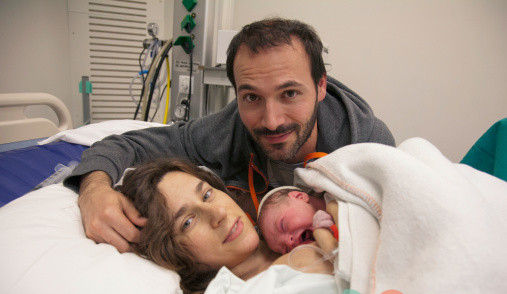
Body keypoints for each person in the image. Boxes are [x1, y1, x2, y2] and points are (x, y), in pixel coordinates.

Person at [66, 17, 395, 252]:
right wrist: (93, 190)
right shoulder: (224, 131)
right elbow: (128, 144)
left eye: (290, 93)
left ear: (320, 86)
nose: (271, 120)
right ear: (236, 94)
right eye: (251, 97)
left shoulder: (367, 145)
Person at [117, 158, 337, 294]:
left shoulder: (317, 213)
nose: (218, 213)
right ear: (174, 257)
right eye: (188, 222)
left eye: (207, 194)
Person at [257, 186, 338, 254]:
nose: (289, 242)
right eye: (287, 250)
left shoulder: (335, 191)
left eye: (283, 226)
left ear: (299, 197)